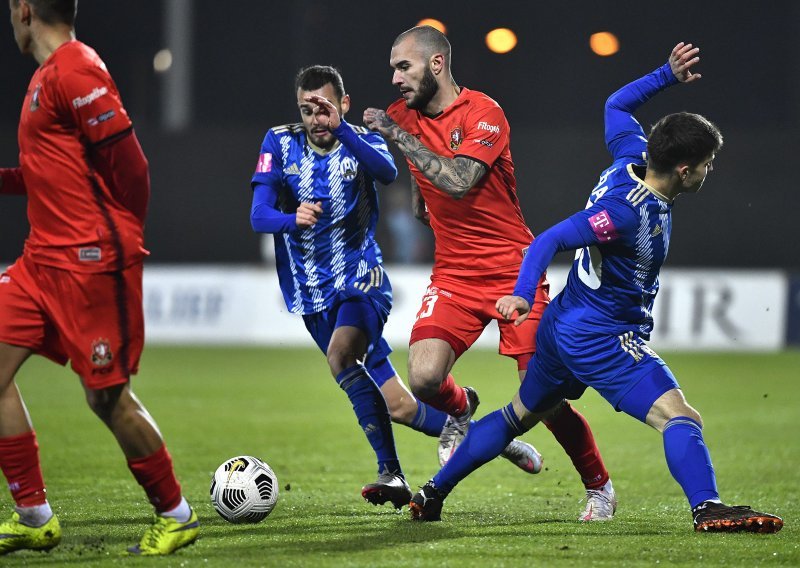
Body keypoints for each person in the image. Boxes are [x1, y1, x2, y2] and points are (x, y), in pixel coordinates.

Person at [406, 42, 785, 534]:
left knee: (520, 413)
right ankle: (707, 507)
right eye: (708, 163)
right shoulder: (625, 215)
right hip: (600, 335)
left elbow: (616, 105)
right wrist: (522, 293)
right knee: (680, 417)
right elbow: (548, 240)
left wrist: (665, 75)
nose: (709, 171)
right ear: (686, 170)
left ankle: (432, 492)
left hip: (564, 325)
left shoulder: (631, 154)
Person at [249, 66, 543, 511]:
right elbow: (258, 215)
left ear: (343, 105)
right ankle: (491, 438)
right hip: (310, 291)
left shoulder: (361, 140)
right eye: (307, 110)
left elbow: (386, 170)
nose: (315, 118)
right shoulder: (279, 141)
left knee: (341, 356)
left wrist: (343, 129)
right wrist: (292, 219)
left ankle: (392, 474)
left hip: (361, 278)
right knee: (400, 407)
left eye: (324, 107)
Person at [363, 24, 616, 521]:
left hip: (512, 270)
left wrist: (397, 137)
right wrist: (421, 202)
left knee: (540, 394)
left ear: (437, 64)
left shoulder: (484, 113)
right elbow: (424, 194)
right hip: (454, 274)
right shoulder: (404, 115)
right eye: (392, 67)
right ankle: (462, 409)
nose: (394, 78)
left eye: (403, 66)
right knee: (425, 378)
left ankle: (599, 486)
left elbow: (458, 181)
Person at [0, 0, 199, 556]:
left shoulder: (76, 68)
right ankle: (34, 514)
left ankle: (175, 514)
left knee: (106, 398)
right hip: (39, 261)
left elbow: (131, 166)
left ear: (23, 9)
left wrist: (113, 238)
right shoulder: (47, 75)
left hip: (90, 263)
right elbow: (47, 174)